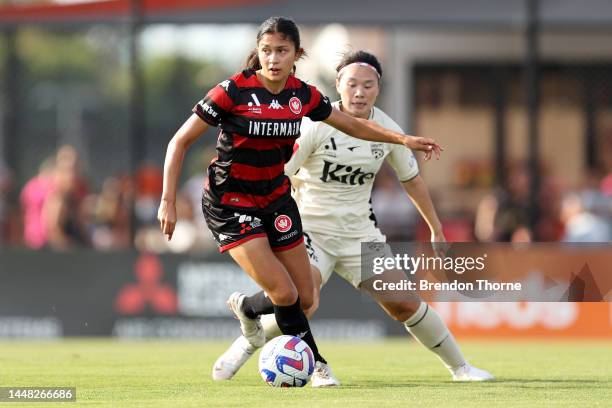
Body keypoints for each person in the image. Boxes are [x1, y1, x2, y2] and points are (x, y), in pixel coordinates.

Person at [157, 18, 440, 387]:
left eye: (282, 51)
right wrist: (168, 201)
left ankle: (247, 309)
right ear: (257, 53)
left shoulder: (302, 95)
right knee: (285, 293)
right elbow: (179, 142)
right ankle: (317, 365)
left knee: (304, 297)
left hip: (276, 199)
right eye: (266, 51)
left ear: (297, 54)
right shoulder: (232, 91)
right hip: (231, 203)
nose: (273, 59)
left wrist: (401, 140)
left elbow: (351, 124)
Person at [212, 50, 493, 384]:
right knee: (304, 301)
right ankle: (247, 343)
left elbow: (412, 180)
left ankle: (461, 368)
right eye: (352, 84)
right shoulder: (315, 124)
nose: (359, 92)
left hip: (360, 235)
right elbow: (279, 175)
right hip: (310, 230)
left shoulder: (386, 129)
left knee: (405, 304)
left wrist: (435, 229)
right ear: (338, 86)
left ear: (378, 89)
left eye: (368, 85)